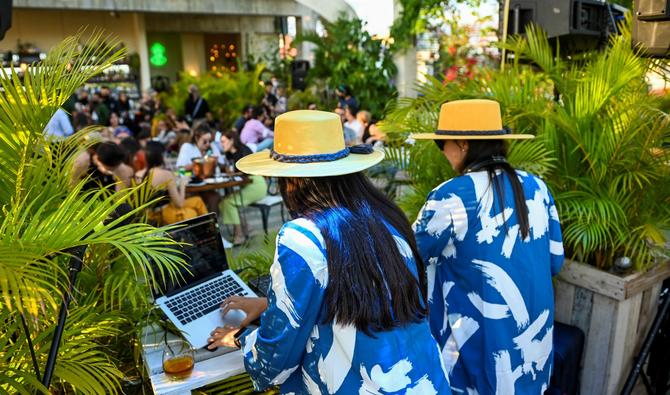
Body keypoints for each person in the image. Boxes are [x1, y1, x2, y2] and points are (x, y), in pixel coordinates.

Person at [206, 110, 451, 394]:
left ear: (293, 181)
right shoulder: (387, 217)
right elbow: (360, 295)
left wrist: (239, 338)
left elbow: (275, 361)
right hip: (427, 382)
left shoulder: (302, 236)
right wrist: (267, 305)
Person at [411, 100, 564, 394]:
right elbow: (555, 262)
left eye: (441, 143)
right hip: (533, 355)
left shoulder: (451, 196)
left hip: (475, 360)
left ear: (463, 144)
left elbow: (409, 257)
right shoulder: (538, 187)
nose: (442, 151)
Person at [135, 141, 208, 225]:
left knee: (197, 201)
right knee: (194, 209)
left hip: (148, 215)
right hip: (165, 215)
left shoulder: (138, 174)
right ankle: (208, 231)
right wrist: (182, 184)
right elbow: (179, 204)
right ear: (161, 156)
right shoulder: (166, 174)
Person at [217, 130, 267, 245]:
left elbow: (248, 171)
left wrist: (234, 173)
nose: (222, 144)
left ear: (231, 140)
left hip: (256, 184)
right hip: (247, 185)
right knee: (224, 202)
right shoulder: (229, 155)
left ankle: (239, 234)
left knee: (229, 202)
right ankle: (245, 227)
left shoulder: (244, 151)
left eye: (223, 141)